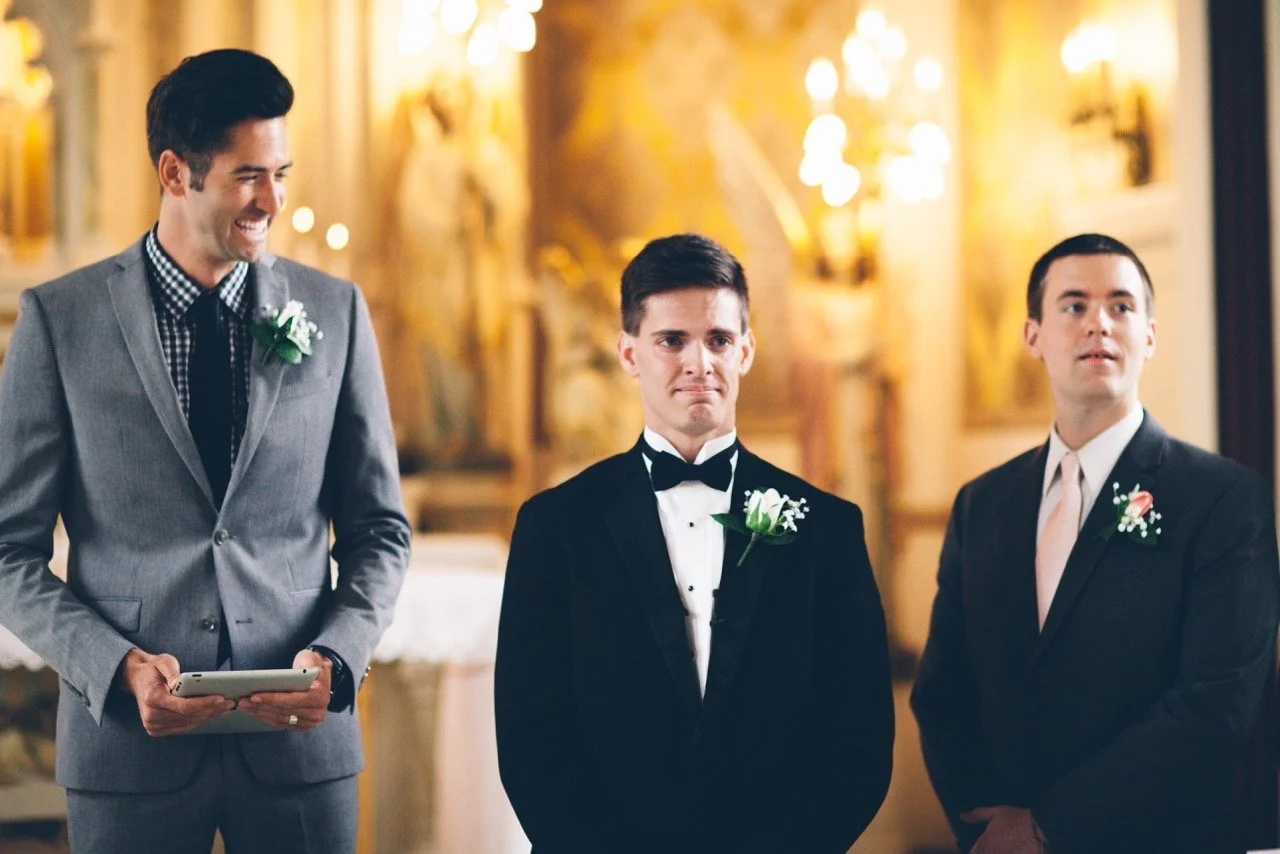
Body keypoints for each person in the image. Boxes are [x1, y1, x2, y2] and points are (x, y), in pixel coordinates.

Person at [0, 49, 410, 852]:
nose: (273, 200)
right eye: (247, 176)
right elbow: (8, 552)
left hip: (301, 751)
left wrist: (337, 653)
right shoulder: (60, 321)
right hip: (128, 755)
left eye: (282, 173)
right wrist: (114, 668)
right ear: (174, 171)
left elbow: (380, 531)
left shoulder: (338, 311)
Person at [494, 232, 894, 853]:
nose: (698, 363)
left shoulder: (826, 528)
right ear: (628, 353)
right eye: (671, 340)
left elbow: (857, 738)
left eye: (718, 340)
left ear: (747, 350)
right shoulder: (554, 527)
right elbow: (532, 738)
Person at [911, 233, 1280, 853]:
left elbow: (1214, 705)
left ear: (1150, 336)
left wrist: (1047, 828)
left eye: (1121, 306)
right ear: (1033, 335)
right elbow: (943, 691)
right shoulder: (982, 503)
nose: (1099, 325)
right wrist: (988, 825)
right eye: (1074, 305)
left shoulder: (1223, 498)